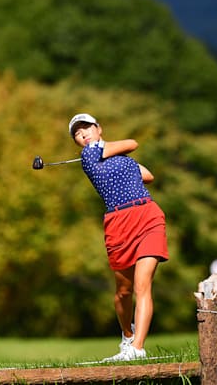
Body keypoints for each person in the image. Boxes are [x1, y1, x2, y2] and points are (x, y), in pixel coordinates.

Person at [68, 113, 169, 362]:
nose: (84, 134)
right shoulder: (89, 154)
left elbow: (148, 175)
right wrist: (111, 154)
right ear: (78, 143)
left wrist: (121, 162)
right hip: (118, 223)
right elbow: (133, 142)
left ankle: (137, 348)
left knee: (142, 285)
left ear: (98, 128)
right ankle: (127, 336)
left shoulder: (114, 156)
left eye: (87, 128)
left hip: (147, 216)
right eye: (78, 134)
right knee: (123, 292)